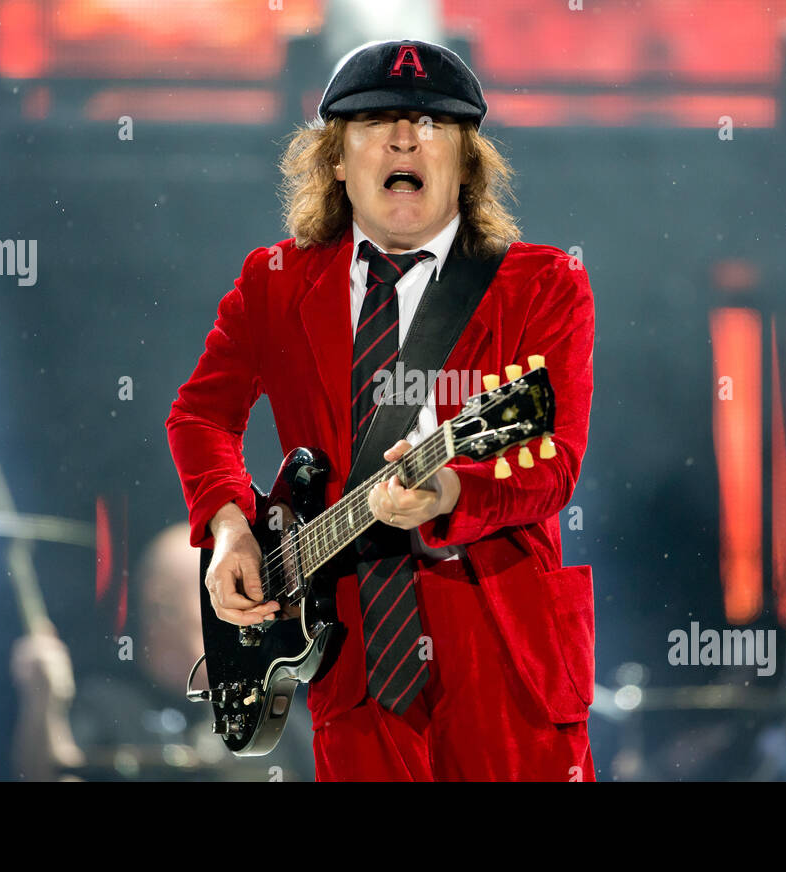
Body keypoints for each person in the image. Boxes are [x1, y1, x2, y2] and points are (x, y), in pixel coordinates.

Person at [166, 39, 596, 781]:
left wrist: (453, 490)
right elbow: (200, 416)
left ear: (465, 160)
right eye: (376, 122)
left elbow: (553, 465)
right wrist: (232, 529)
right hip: (352, 672)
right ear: (335, 158)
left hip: (507, 666)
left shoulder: (542, 285)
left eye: (431, 124)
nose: (405, 137)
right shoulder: (274, 282)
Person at [10, 524, 314, 781]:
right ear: (162, 606)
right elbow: (54, 773)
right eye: (218, 592)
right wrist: (43, 701)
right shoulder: (104, 707)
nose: (241, 607)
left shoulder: (274, 713)